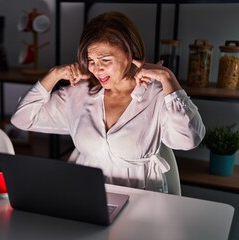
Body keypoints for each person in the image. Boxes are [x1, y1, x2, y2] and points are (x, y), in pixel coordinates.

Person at [11, 11, 205, 193]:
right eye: (91, 60)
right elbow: (22, 119)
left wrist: (167, 77)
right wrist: (54, 74)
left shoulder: (157, 94)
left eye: (105, 60)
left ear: (130, 54)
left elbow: (189, 140)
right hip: (86, 197)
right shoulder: (79, 93)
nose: (97, 69)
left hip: (142, 200)